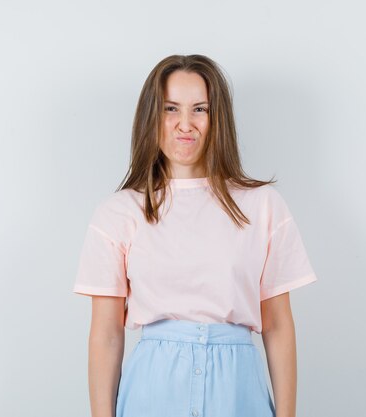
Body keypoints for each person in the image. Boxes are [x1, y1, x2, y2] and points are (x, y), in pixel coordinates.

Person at [72, 54, 318, 417]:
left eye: (199, 109)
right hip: (151, 390)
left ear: (217, 118)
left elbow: (278, 325)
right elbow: (107, 334)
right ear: (151, 117)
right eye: (171, 109)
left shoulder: (263, 206)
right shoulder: (118, 213)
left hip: (238, 392)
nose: (184, 124)